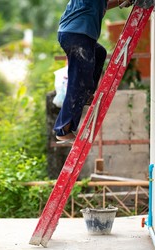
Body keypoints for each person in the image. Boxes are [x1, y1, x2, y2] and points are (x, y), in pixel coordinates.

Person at [54, 0, 133, 143]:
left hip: (77, 33)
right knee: (78, 82)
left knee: (99, 53)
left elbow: (104, 4)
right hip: (77, 34)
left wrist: (121, 1)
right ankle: (62, 129)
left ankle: (86, 95)